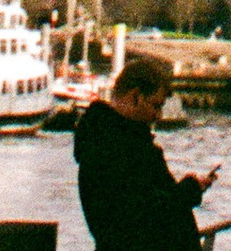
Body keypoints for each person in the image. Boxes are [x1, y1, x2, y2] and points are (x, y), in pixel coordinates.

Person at [75, 51, 220, 248]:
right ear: (135, 96)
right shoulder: (112, 149)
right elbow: (142, 217)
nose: (159, 115)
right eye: (156, 106)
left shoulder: (110, 141)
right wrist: (189, 190)